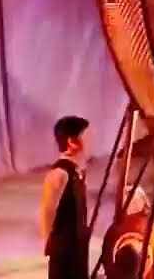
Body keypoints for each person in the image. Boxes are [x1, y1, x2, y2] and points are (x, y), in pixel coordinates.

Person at [41, 116, 90, 279]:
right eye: (85, 135)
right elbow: (47, 211)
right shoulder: (59, 173)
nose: (89, 139)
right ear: (71, 142)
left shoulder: (77, 171)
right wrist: (49, 242)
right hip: (64, 248)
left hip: (78, 245)